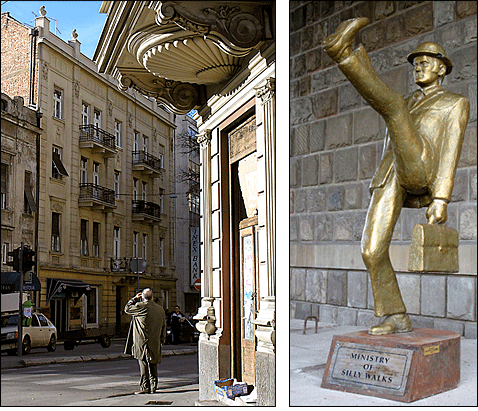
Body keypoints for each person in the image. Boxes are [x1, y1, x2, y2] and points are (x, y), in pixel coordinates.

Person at [322, 18, 470, 335]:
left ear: (443, 69)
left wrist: (441, 199)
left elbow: (451, 152)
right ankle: (395, 315)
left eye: (426, 62)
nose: (418, 67)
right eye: (415, 63)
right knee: (371, 249)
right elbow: (391, 143)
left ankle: (344, 52)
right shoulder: (405, 102)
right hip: (393, 171)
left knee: (393, 110)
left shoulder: (454, 103)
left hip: (422, 166)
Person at [124, 288, 167, 394]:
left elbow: (127, 309)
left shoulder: (140, 307)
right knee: (153, 363)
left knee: (143, 363)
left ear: (143, 298)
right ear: (152, 297)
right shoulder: (160, 309)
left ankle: (145, 387)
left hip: (141, 341)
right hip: (155, 341)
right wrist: (162, 340)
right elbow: (163, 326)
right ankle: (154, 386)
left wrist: (134, 298)